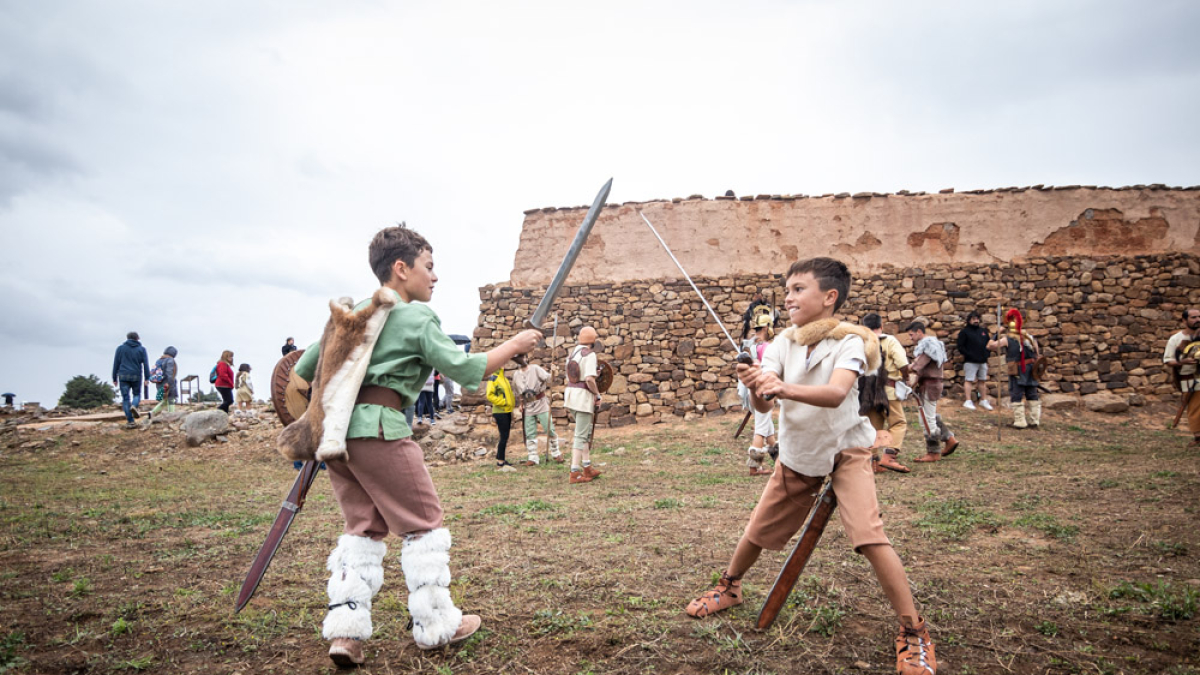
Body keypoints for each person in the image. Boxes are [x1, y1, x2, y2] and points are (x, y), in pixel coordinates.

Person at [290, 224, 542, 665]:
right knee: (423, 523)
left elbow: (299, 375)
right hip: (382, 429)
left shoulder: (352, 315)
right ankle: (437, 624)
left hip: (337, 439)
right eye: (429, 266)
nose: (435, 276)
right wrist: (515, 344)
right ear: (401, 268)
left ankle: (346, 634)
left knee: (362, 530)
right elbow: (465, 369)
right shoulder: (416, 317)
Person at [686, 258, 937, 675]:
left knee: (870, 536)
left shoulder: (851, 341)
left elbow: (837, 393)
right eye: (787, 289)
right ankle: (730, 586)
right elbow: (765, 403)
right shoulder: (783, 342)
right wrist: (756, 388)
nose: (788, 296)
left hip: (847, 451)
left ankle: (914, 630)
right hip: (799, 452)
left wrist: (781, 387)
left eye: (799, 288)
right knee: (759, 527)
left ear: (829, 297)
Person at [861, 313, 911, 473]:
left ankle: (872, 462)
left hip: (867, 394)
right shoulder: (889, 341)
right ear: (881, 326)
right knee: (898, 423)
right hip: (887, 391)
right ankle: (889, 457)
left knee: (873, 428)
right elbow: (903, 364)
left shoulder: (860, 343)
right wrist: (906, 377)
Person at [906, 322, 959, 462]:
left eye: (911, 335)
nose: (910, 338)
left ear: (919, 332)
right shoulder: (933, 344)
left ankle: (933, 452)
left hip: (930, 385)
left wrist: (903, 368)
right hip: (930, 384)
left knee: (926, 419)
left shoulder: (928, 345)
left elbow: (918, 366)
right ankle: (949, 438)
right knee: (930, 415)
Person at [564, 326, 603, 484]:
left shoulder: (572, 353)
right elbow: (588, 379)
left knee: (584, 433)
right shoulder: (590, 354)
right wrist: (597, 394)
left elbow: (575, 375)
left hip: (571, 396)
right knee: (580, 435)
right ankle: (574, 472)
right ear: (593, 341)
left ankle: (587, 467)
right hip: (582, 398)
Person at [993, 309, 1043, 429]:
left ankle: (1020, 422)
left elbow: (990, 345)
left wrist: (996, 334)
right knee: (1032, 393)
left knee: (1017, 394)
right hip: (1031, 370)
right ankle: (1034, 420)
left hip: (1018, 370)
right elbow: (1037, 354)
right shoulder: (1030, 338)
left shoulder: (1007, 339)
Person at [511, 353, 562, 465]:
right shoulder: (516, 375)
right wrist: (521, 404)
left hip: (541, 402)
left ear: (526, 358)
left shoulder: (535, 369)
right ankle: (533, 457)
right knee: (530, 432)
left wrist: (553, 371)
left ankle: (556, 453)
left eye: (523, 357)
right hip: (528, 405)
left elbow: (549, 379)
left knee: (549, 428)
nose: (522, 360)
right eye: (519, 358)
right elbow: (517, 391)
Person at [742, 313, 777, 476]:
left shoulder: (753, 346)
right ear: (766, 328)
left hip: (753, 391)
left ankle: (779, 460)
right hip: (762, 391)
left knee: (768, 429)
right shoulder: (767, 347)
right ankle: (754, 467)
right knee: (761, 429)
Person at [1164, 307, 1200, 448]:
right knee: (1195, 406)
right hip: (1189, 378)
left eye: (1199, 317)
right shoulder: (1176, 339)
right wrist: (1182, 362)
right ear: (1184, 320)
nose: (1198, 320)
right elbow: (1168, 360)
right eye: (1193, 317)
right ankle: (1198, 435)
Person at [956, 310, 994, 411]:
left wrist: (986, 354)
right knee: (969, 380)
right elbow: (960, 346)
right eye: (973, 319)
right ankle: (968, 400)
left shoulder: (983, 331)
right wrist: (970, 355)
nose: (976, 320)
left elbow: (988, 344)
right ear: (969, 320)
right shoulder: (964, 332)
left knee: (982, 381)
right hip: (970, 361)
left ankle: (983, 400)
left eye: (977, 318)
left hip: (982, 361)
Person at [112, 331, 150, 429]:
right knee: (136, 395)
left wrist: (114, 378)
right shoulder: (142, 349)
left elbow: (116, 363)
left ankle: (130, 421)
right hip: (136, 375)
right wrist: (147, 378)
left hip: (123, 375)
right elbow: (145, 364)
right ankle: (134, 405)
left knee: (125, 398)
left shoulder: (120, 349)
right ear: (137, 338)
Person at [485, 366, 515, 468]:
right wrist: (504, 402)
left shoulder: (504, 378)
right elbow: (490, 395)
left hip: (507, 411)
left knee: (505, 436)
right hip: (500, 411)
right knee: (504, 436)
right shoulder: (494, 378)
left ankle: (501, 458)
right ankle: (500, 461)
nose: (504, 364)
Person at [149, 347, 178, 421]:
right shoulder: (170, 360)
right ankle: (172, 415)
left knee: (165, 400)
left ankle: (152, 412)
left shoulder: (159, 360)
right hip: (168, 383)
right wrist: (170, 383)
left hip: (159, 384)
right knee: (171, 399)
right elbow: (169, 373)